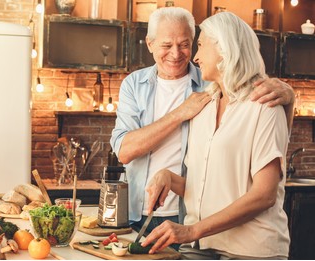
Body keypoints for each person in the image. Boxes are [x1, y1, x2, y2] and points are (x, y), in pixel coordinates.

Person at [110, 7, 295, 242]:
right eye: (167, 45)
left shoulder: (211, 84)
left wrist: (289, 100)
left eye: (187, 44)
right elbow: (124, 152)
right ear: (150, 44)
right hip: (138, 213)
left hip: (191, 219)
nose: (177, 54)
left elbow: (274, 143)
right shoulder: (134, 85)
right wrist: (180, 113)